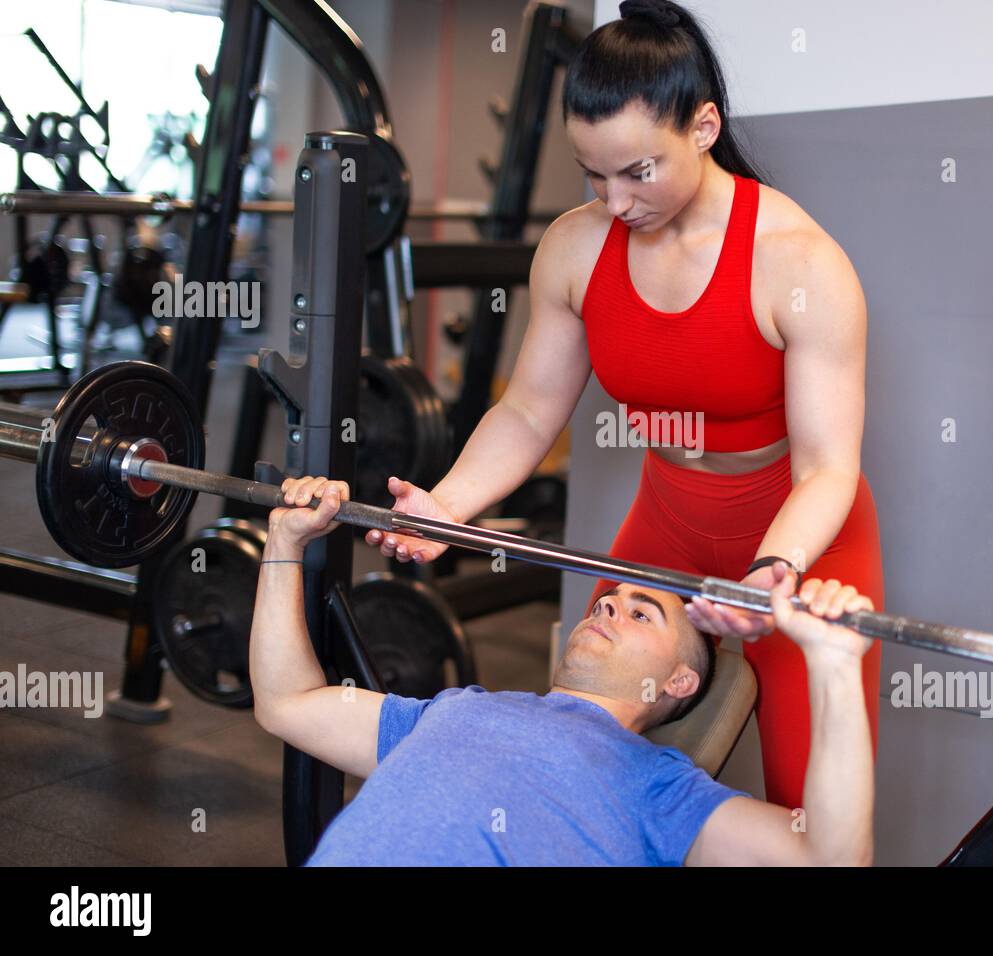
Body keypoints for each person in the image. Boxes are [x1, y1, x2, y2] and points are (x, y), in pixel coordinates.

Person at [363, 0, 883, 810]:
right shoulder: (574, 247)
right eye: (593, 174)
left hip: (803, 540)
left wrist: (770, 573)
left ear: (704, 128)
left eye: (638, 171)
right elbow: (531, 410)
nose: (614, 201)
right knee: (588, 760)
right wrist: (447, 507)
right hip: (666, 525)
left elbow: (826, 467)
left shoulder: (799, 262)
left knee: (808, 811)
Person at [253, 477, 875, 866]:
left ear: (680, 681)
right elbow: (286, 701)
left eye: (642, 613)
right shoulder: (456, 709)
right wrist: (283, 544)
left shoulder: (660, 789)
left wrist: (836, 667)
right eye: (609, 600)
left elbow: (829, 856)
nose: (607, 604)